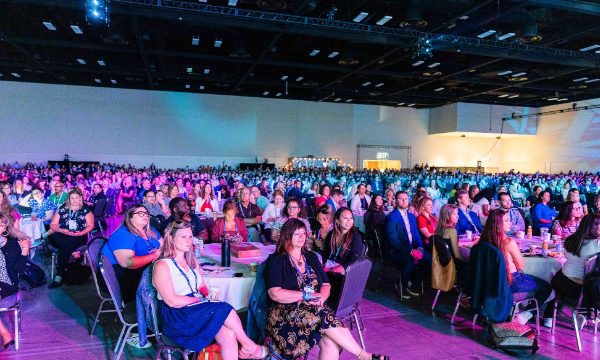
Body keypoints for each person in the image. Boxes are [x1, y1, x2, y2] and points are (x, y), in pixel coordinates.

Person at [265, 219, 387, 360]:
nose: (302, 237)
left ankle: (364, 356)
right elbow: (275, 293)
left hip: (313, 310)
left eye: (304, 233)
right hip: (285, 314)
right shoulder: (276, 260)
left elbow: (325, 285)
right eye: (297, 234)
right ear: (287, 235)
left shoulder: (310, 257)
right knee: (322, 313)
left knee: (331, 343)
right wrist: (306, 296)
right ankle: (363, 355)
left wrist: (320, 298)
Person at [153, 221, 268, 359]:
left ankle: (247, 346)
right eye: (183, 237)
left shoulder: (192, 260)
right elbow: (171, 300)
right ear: (171, 239)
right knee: (224, 308)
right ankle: (250, 346)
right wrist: (201, 300)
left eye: (190, 236)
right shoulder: (162, 265)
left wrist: (207, 294)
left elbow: (201, 285)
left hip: (194, 308)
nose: (189, 240)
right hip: (178, 316)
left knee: (229, 334)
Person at [479, 209, 553, 325]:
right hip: (512, 281)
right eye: (507, 221)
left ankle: (520, 310)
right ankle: (526, 314)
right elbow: (521, 266)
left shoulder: (484, 240)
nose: (510, 223)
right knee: (547, 287)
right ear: (498, 224)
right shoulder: (509, 242)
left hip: (491, 281)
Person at [545, 213, 600, 329]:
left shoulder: (570, 240)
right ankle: (583, 313)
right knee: (592, 282)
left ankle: (549, 316)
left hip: (565, 286)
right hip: (585, 292)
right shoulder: (597, 244)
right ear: (595, 227)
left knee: (556, 277)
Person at [101, 204, 163, 303]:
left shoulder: (151, 231)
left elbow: (163, 247)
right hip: (120, 277)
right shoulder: (123, 234)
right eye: (140, 213)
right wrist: (154, 256)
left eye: (146, 213)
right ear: (130, 218)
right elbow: (127, 262)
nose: (145, 216)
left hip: (140, 271)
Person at [384, 191, 432, 299]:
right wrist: (411, 251)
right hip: (396, 250)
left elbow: (416, 234)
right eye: (401, 199)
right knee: (409, 264)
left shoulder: (411, 216)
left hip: (412, 248)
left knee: (431, 260)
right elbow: (394, 241)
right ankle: (402, 285)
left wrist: (419, 248)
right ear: (396, 201)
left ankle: (411, 282)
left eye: (406, 198)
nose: (404, 201)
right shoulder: (391, 218)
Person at [48, 188, 94, 289]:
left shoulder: (85, 209)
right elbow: (53, 225)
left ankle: (59, 276)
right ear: (69, 199)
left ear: (80, 198)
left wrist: (81, 232)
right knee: (55, 234)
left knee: (63, 248)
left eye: (77, 198)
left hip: (79, 236)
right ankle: (74, 253)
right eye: (72, 198)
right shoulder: (62, 208)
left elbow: (90, 225)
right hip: (63, 234)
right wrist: (62, 230)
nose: (74, 200)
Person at [0, 214, 30, 349]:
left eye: (0, 225)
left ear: (5, 228)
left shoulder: (11, 244)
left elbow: (18, 268)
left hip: (7, 284)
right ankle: (5, 333)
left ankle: (5, 334)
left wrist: (25, 250)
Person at [323, 207, 365, 275]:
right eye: (345, 218)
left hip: (344, 272)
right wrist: (324, 265)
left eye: (351, 218)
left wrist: (333, 269)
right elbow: (325, 253)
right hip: (329, 266)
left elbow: (353, 261)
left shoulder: (355, 237)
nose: (349, 221)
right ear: (337, 221)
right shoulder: (331, 234)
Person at [434, 204, 468, 282]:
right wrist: (469, 260)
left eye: (457, 214)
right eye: (454, 214)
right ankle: (466, 291)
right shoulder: (451, 230)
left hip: (442, 263)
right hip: (452, 264)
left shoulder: (438, 229)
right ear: (447, 216)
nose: (458, 216)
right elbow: (457, 255)